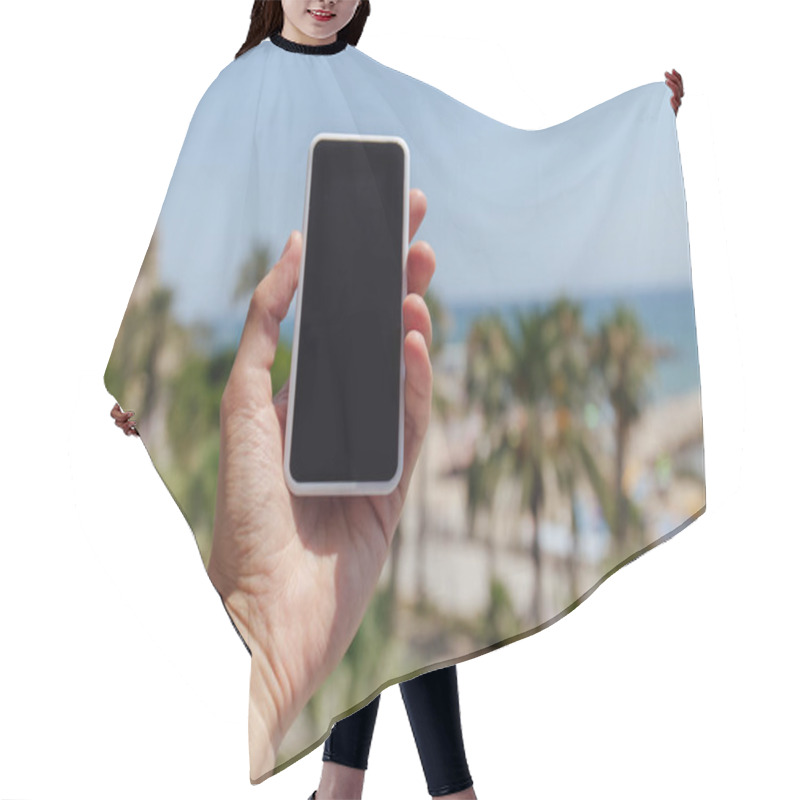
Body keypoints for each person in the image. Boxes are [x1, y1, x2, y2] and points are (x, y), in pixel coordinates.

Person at [109, 0, 686, 788]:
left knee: (373, 588)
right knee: (351, 591)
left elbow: (499, 165)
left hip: (374, 382)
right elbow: (194, 237)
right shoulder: (232, 93)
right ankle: (427, 789)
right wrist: (148, 375)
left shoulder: (378, 88)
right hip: (278, 397)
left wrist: (638, 120)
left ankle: (352, 788)